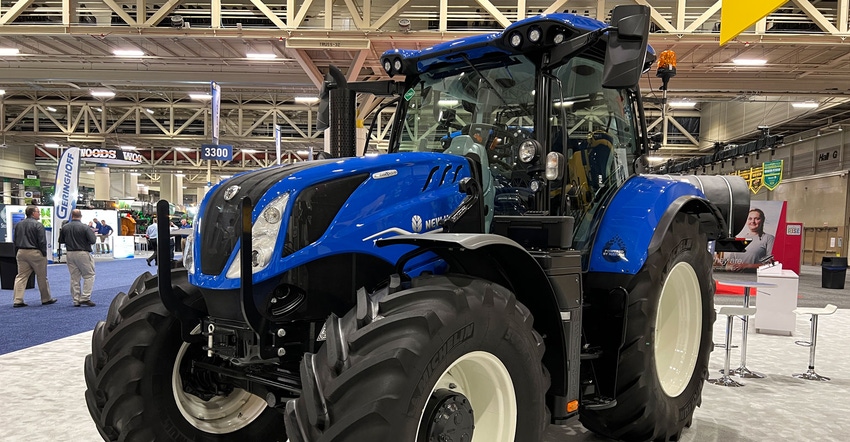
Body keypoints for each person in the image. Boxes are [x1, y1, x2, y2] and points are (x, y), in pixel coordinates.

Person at [12, 206, 56, 307]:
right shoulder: (38, 225)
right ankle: (46, 298)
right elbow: (42, 241)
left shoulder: (19, 224)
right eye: (38, 212)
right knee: (41, 277)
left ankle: (17, 300)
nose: (39, 213)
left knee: (21, 276)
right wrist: (44, 253)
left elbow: (15, 240)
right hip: (35, 252)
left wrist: (17, 252)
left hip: (21, 252)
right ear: (33, 213)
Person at [58, 209, 97, 307]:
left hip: (70, 253)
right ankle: (85, 297)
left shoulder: (65, 227)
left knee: (74, 277)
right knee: (89, 275)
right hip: (83, 252)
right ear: (81, 216)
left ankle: (76, 299)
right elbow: (92, 240)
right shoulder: (85, 227)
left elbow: (61, 240)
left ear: (72, 215)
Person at [724, 208, 776, 272]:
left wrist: (747, 266)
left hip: (755, 278)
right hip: (736, 278)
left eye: (757, 218)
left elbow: (770, 264)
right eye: (750, 219)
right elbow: (729, 263)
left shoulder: (768, 238)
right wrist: (730, 267)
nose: (753, 221)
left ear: (762, 220)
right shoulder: (739, 238)